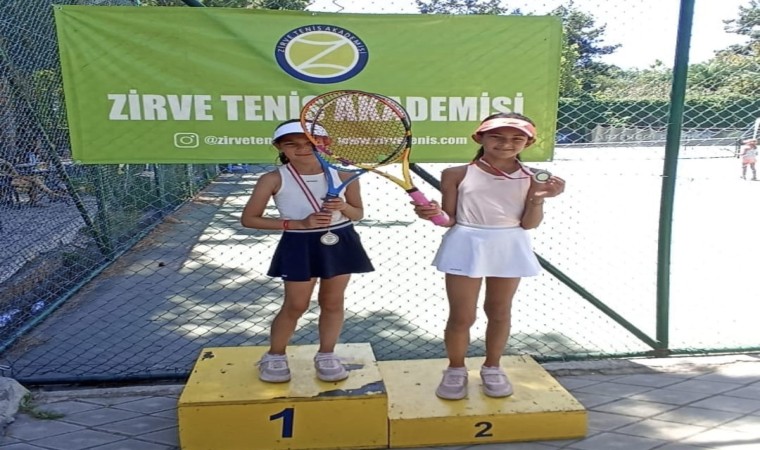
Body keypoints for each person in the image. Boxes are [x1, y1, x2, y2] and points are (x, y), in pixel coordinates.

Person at [413, 112, 565, 400]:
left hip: (510, 243)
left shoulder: (535, 177)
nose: (506, 143)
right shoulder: (455, 174)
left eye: (517, 138)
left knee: (499, 311)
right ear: (479, 137)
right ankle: (455, 369)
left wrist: (537, 199)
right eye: (497, 136)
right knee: (462, 315)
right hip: (465, 243)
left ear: (528, 143)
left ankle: (492, 368)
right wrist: (432, 214)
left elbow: (529, 224)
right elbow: (449, 219)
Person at [240, 119, 374, 383]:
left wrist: (343, 207)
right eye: (292, 144)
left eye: (310, 143)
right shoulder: (272, 179)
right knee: (296, 304)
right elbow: (249, 219)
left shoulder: (344, 176)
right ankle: (275, 355)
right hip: (298, 243)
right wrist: (298, 224)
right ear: (279, 147)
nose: (302, 149)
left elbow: (358, 213)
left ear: (325, 144)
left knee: (333, 302)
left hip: (340, 240)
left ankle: (326, 354)